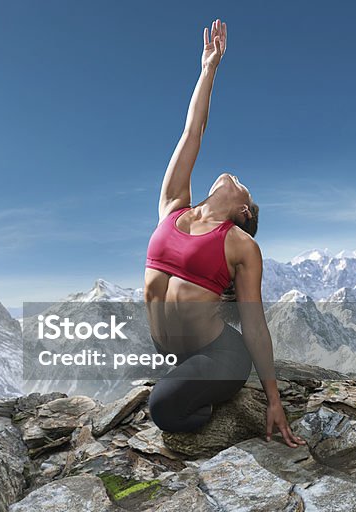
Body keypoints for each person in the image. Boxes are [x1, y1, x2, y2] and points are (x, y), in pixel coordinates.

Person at [143, 18, 306, 448]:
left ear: (244, 210)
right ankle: (191, 383)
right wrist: (208, 68)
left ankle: (219, 407)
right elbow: (191, 132)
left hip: (222, 355)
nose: (234, 175)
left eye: (244, 187)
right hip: (174, 350)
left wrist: (273, 399)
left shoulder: (239, 244)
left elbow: (254, 324)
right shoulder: (173, 206)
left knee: (163, 409)